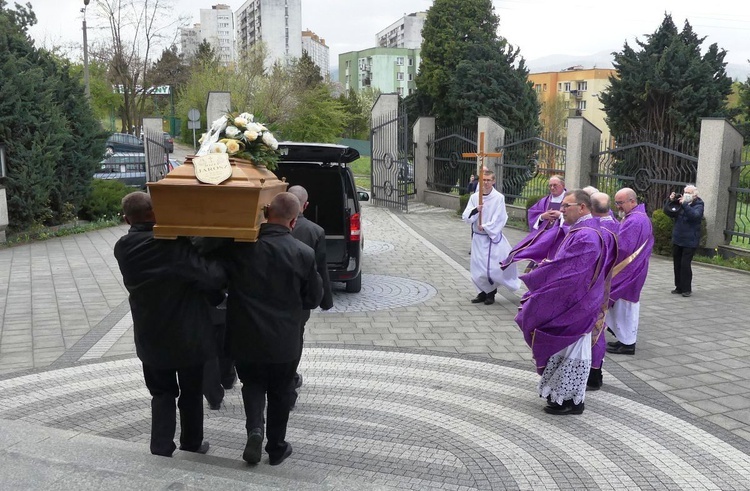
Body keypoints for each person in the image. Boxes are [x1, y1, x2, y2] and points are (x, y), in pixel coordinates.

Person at [113, 192, 226, 457]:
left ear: (127, 218)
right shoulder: (172, 246)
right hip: (188, 334)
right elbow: (209, 278)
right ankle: (192, 442)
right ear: (155, 213)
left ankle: (161, 445)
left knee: (161, 392)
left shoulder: (123, 247)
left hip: (150, 333)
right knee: (190, 393)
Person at [224, 192, 323, 466]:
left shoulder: (241, 247)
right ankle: (276, 448)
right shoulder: (304, 253)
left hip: (246, 336)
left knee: (252, 384)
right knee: (280, 392)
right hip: (284, 339)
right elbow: (313, 298)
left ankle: (255, 429)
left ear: (266, 214)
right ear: (293, 222)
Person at [515, 190, 607, 415]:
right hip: (574, 302)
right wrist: (552, 264)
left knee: (572, 351)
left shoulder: (586, 235)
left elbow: (572, 274)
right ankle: (562, 396)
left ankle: (571, 401)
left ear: (582, 208)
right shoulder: (581, 230)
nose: (562, 209)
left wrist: (544, 271)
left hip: (576, 304)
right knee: (563, 351)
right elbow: (567, 264)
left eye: (567, 205)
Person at [287, 185, 334, 407]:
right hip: (300, 299)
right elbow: (321, 269)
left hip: (268, 297)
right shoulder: (315, 231)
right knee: (295, 338)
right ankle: (289, 379)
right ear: (305, 205)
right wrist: (325, 300)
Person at [606, 188, 654, 355]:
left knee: (625, 306)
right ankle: (623, 339)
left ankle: (627, 344)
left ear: (632, 201)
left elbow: (624, 248)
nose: (618, 206)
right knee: (622, 306)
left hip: (629, 270)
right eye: (617, 203)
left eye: (620, 203)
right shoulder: (636, 217)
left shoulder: (635, 221)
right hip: (634, 268)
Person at [461, 171, 520, 305]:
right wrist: (476, 210)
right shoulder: (475, 197)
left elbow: (500, 217)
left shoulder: (498, 198)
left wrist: (486, 226)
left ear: (493, 181)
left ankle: (491, 293)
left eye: (488, 180)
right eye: (484, 180)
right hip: (477, 238)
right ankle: (481, 292)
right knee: (477, 267)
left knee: (491, 268)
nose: (486, 183)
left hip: (490, 237)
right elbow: (465, 216)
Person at [587, 192, 620, 390]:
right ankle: (596, 371)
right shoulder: (617, 225)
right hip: (606, 285)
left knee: (592, 330)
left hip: (591, 287)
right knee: (599, 327)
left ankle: (592, 373)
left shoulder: (594, 230)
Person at [502, 175, 567, 269]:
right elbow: (532, 213)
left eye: (555, 185)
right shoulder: (545, 201)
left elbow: (576, 217)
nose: (552, 188)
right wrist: (542, 216)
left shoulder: (570, 199)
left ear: (563, 185)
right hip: (545, 236)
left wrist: (560, 215)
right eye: (550, 186)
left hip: (562, 237)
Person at [664, 185, 704, 297]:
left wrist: (685, 205)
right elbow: (668, 212)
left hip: (690, 240)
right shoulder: (680, 203)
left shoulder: (699, 204)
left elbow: (695, 216)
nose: (686, 194)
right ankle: (679, 286)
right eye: (685, 192)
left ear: (695, 195)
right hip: (678, 238)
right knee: (677, 264)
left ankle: (687, 289)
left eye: (689, 193)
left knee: (685, 264)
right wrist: (670, 200)